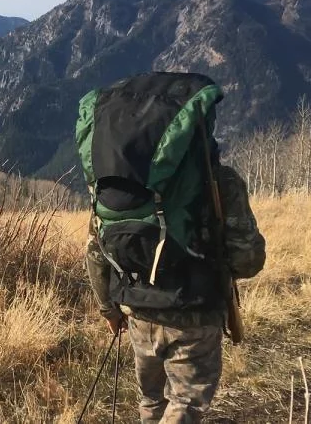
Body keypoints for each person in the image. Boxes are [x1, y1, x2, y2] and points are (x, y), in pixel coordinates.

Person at [85, 163, 266, 423]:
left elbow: (95, 253)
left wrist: (108, 309)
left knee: (152, 399)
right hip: (196, 312)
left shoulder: (116, 182)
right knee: (185, 403)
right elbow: (249, 260)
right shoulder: (218, 178)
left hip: (140, 312)